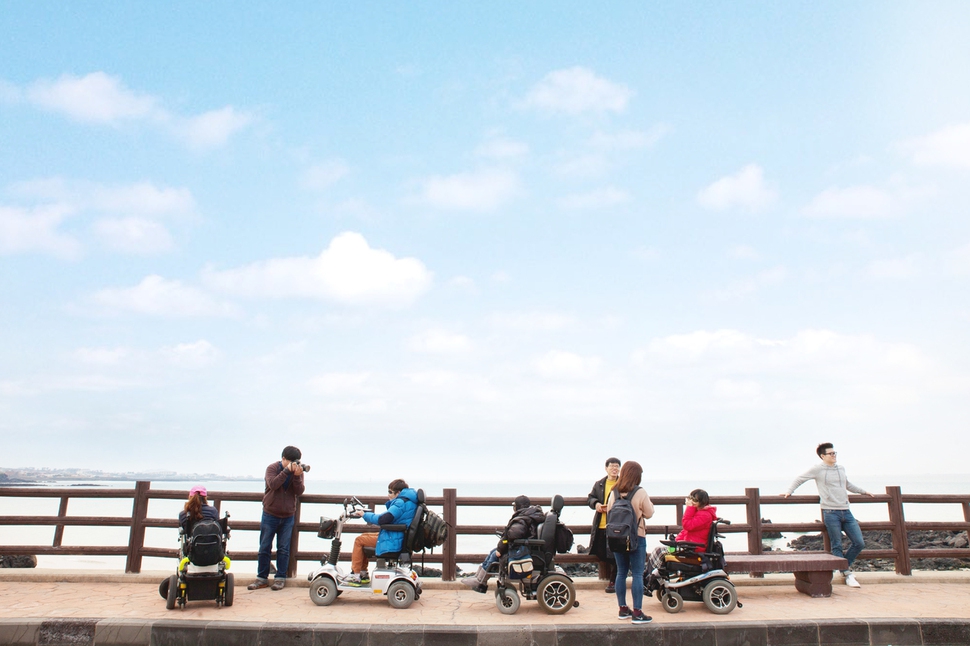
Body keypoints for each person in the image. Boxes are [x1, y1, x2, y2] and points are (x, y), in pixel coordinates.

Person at [785, 443, 875, 588]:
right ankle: (846, 574)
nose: (834, 456)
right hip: (830, 512)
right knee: (837, 545)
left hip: (846, 510)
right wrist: (789, 491)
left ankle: (843, 567)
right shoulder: (817, 469)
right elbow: (800, 479)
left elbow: (847, 485)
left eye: (835, 453)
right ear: (822, 456)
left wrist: (863, 491)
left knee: (859, 542)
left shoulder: (841, 468)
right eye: (831, 454)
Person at [248, 446, 305, 591]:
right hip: (270, 513)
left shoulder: (297, 471)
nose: (294, 464)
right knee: (264, 547)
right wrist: (286, 471)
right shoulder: (272, 468)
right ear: (283, 459)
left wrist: (297, 476)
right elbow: (273, 484)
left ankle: (280, 578)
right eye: (291, 461)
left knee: (284, 548)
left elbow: (299, 491)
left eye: (296, 461)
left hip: (288, 515)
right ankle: (261, 578)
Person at [460, 495, 545, 593]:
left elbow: (512, 534)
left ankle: (481, 581)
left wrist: (501, 548)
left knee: (495, 555)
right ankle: (478, 577)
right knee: (493, 552)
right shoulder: (529, 515)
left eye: (515, 506)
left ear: (519, 506)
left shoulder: (523, 518)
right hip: (523, 547)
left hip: (521, 550)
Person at [342, 479, 419, 586]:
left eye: (390, 492)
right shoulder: (410, 501)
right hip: (397, 536)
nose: (388, 494)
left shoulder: (401, 502)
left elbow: (384, 519)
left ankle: (356, 575)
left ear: (398, 493)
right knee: (363, 537)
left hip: (394, 540)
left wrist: (365, 515)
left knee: (359, 541)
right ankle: (363, 573)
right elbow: (390, 516)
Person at [606, 460, 654, 623]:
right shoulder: (640, 492)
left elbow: (610, 512)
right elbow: (649, 513)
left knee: (621, 572)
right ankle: (638, 613)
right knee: (638, 574)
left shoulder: (614, 492)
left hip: (617, 538)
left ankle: (622, 609)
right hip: (636, 537)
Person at [644, 488, 716, 595]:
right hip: (690, 545)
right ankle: (650, 578)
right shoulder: (700, 513)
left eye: (694, 500)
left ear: (701, 502)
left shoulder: (704, 515)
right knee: (659, 551)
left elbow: (687, 525)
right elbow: (686, 530)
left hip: (694, 548)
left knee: (659, 551)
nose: (692, 502)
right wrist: (677, 541)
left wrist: (689, 508)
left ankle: (650, 581)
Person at [587, 457, 621, 593]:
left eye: (617, 466)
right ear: (606, 468)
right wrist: (596, 504)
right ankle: (612, 578)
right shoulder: (599, 484)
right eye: (612, 466)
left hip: (617, 524)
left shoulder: (622, 483)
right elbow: (590, 498)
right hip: (601, 524)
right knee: (602, 553)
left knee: (615, 554)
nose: (614, 469)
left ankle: (613, 581)